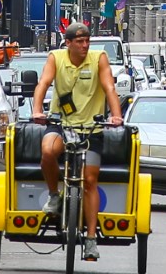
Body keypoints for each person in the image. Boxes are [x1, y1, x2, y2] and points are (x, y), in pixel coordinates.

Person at [31, 23, 124, 263]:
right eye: (79, 41)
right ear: (68, 42)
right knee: (48, 151)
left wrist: (116, 116)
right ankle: (54, 195)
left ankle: (91, 239)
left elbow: (109, 87)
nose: (84, 46)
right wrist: (37, 110)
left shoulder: (99, 58)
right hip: (62, 124)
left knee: (91, 180)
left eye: (87, 41)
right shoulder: (56, 57)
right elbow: (43, 83)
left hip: (92, 128)